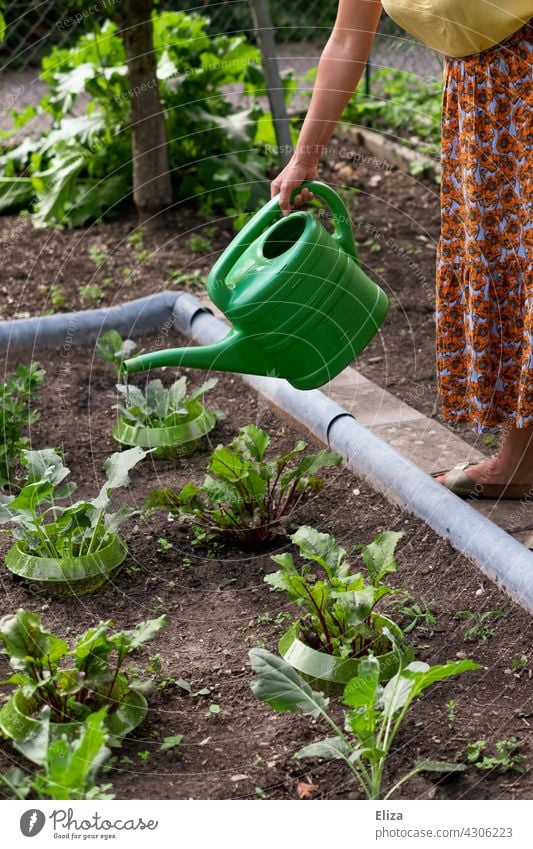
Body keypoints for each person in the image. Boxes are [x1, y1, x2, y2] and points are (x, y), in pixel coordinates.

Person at [270, 1, 533, 500]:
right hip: (484, 100)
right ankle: (520, 462)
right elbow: (349, 37)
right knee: (510, 261)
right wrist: (305, 155)